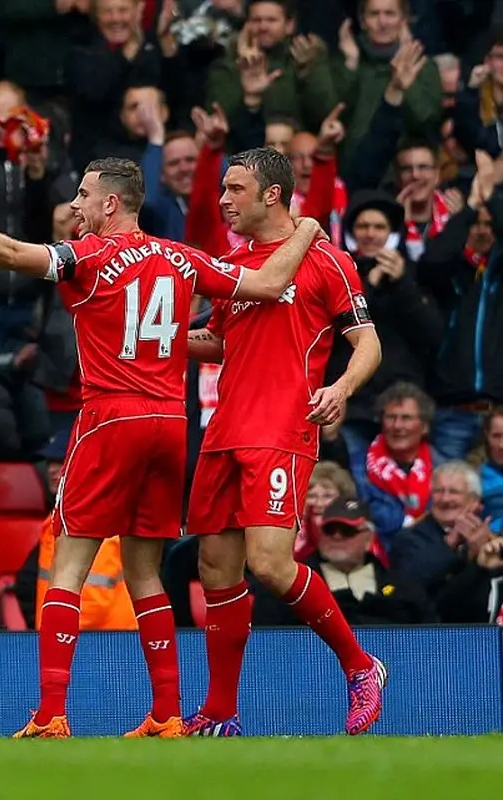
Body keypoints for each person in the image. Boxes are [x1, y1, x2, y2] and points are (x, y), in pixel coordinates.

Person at [0, 157, 322, 739]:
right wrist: (307, 231)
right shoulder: (181, 257)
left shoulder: (89, 256)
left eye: (84, 196)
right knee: (144, 572)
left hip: (110, 418)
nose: (75, 206)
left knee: (67, 567)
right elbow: (268, 284)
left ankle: (51, 714)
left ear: (111, 203)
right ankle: (166, 714)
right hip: (170, 424)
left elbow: (11, 253)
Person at [184, 146, 386, 737]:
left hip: (281, 430)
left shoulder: (327, 261)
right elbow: (220, 341)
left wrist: (341, 388)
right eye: (222, 189)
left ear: (273, 194)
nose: (224, 200)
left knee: (270, 565)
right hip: (224, 429)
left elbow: (368, 343)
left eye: (235, 189)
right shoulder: (233, 263)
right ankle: (221, 712)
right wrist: (159, 337)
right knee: (216, 569)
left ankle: (361, 666)